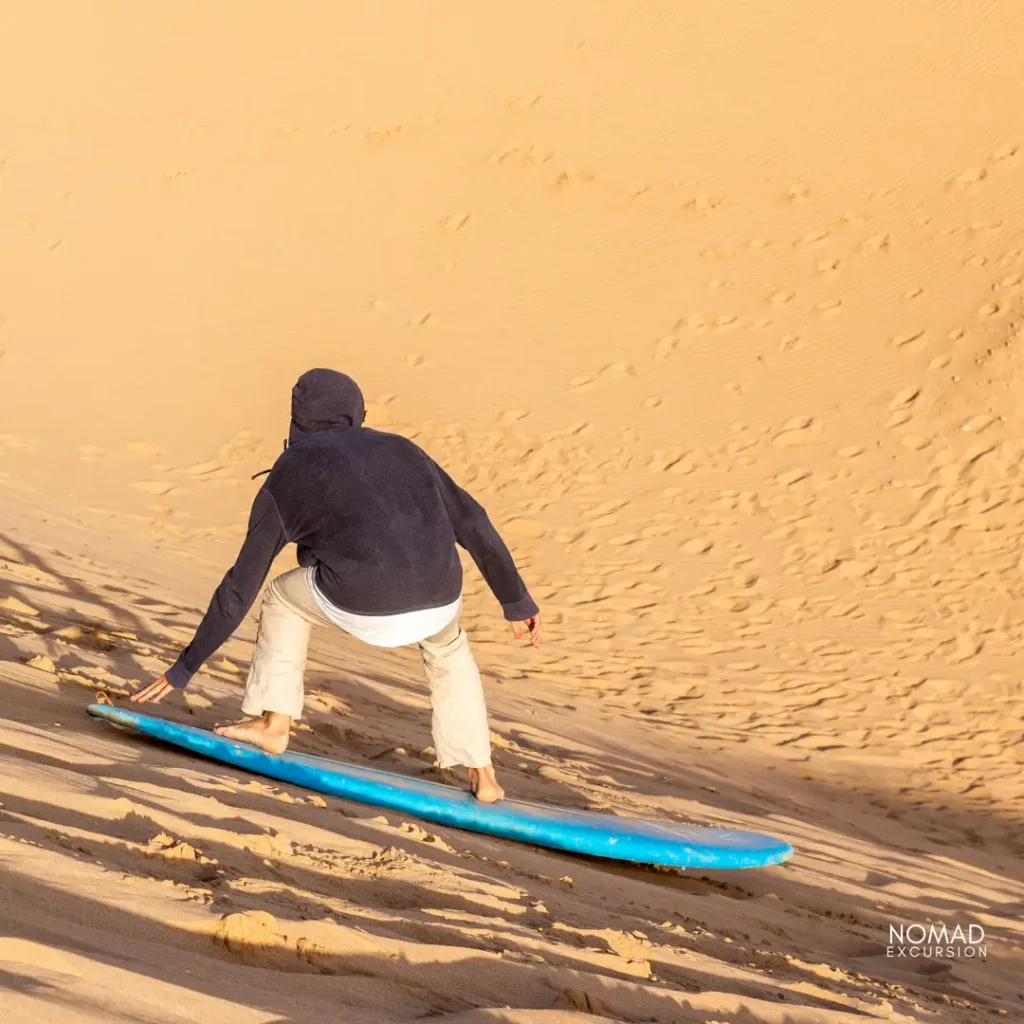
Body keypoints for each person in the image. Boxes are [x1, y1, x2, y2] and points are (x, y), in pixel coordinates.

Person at [130, 368, 541, 802]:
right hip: (441, 595)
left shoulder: (288, 473)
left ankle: (274, 724)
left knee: (279, 598)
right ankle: (484, 775)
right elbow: (474, 522)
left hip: (361, 600)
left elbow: (240, 587)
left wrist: (185, 667)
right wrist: (516, 601)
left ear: (296, 419)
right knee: (449, 649)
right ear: (356, 413)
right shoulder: (403, 449)